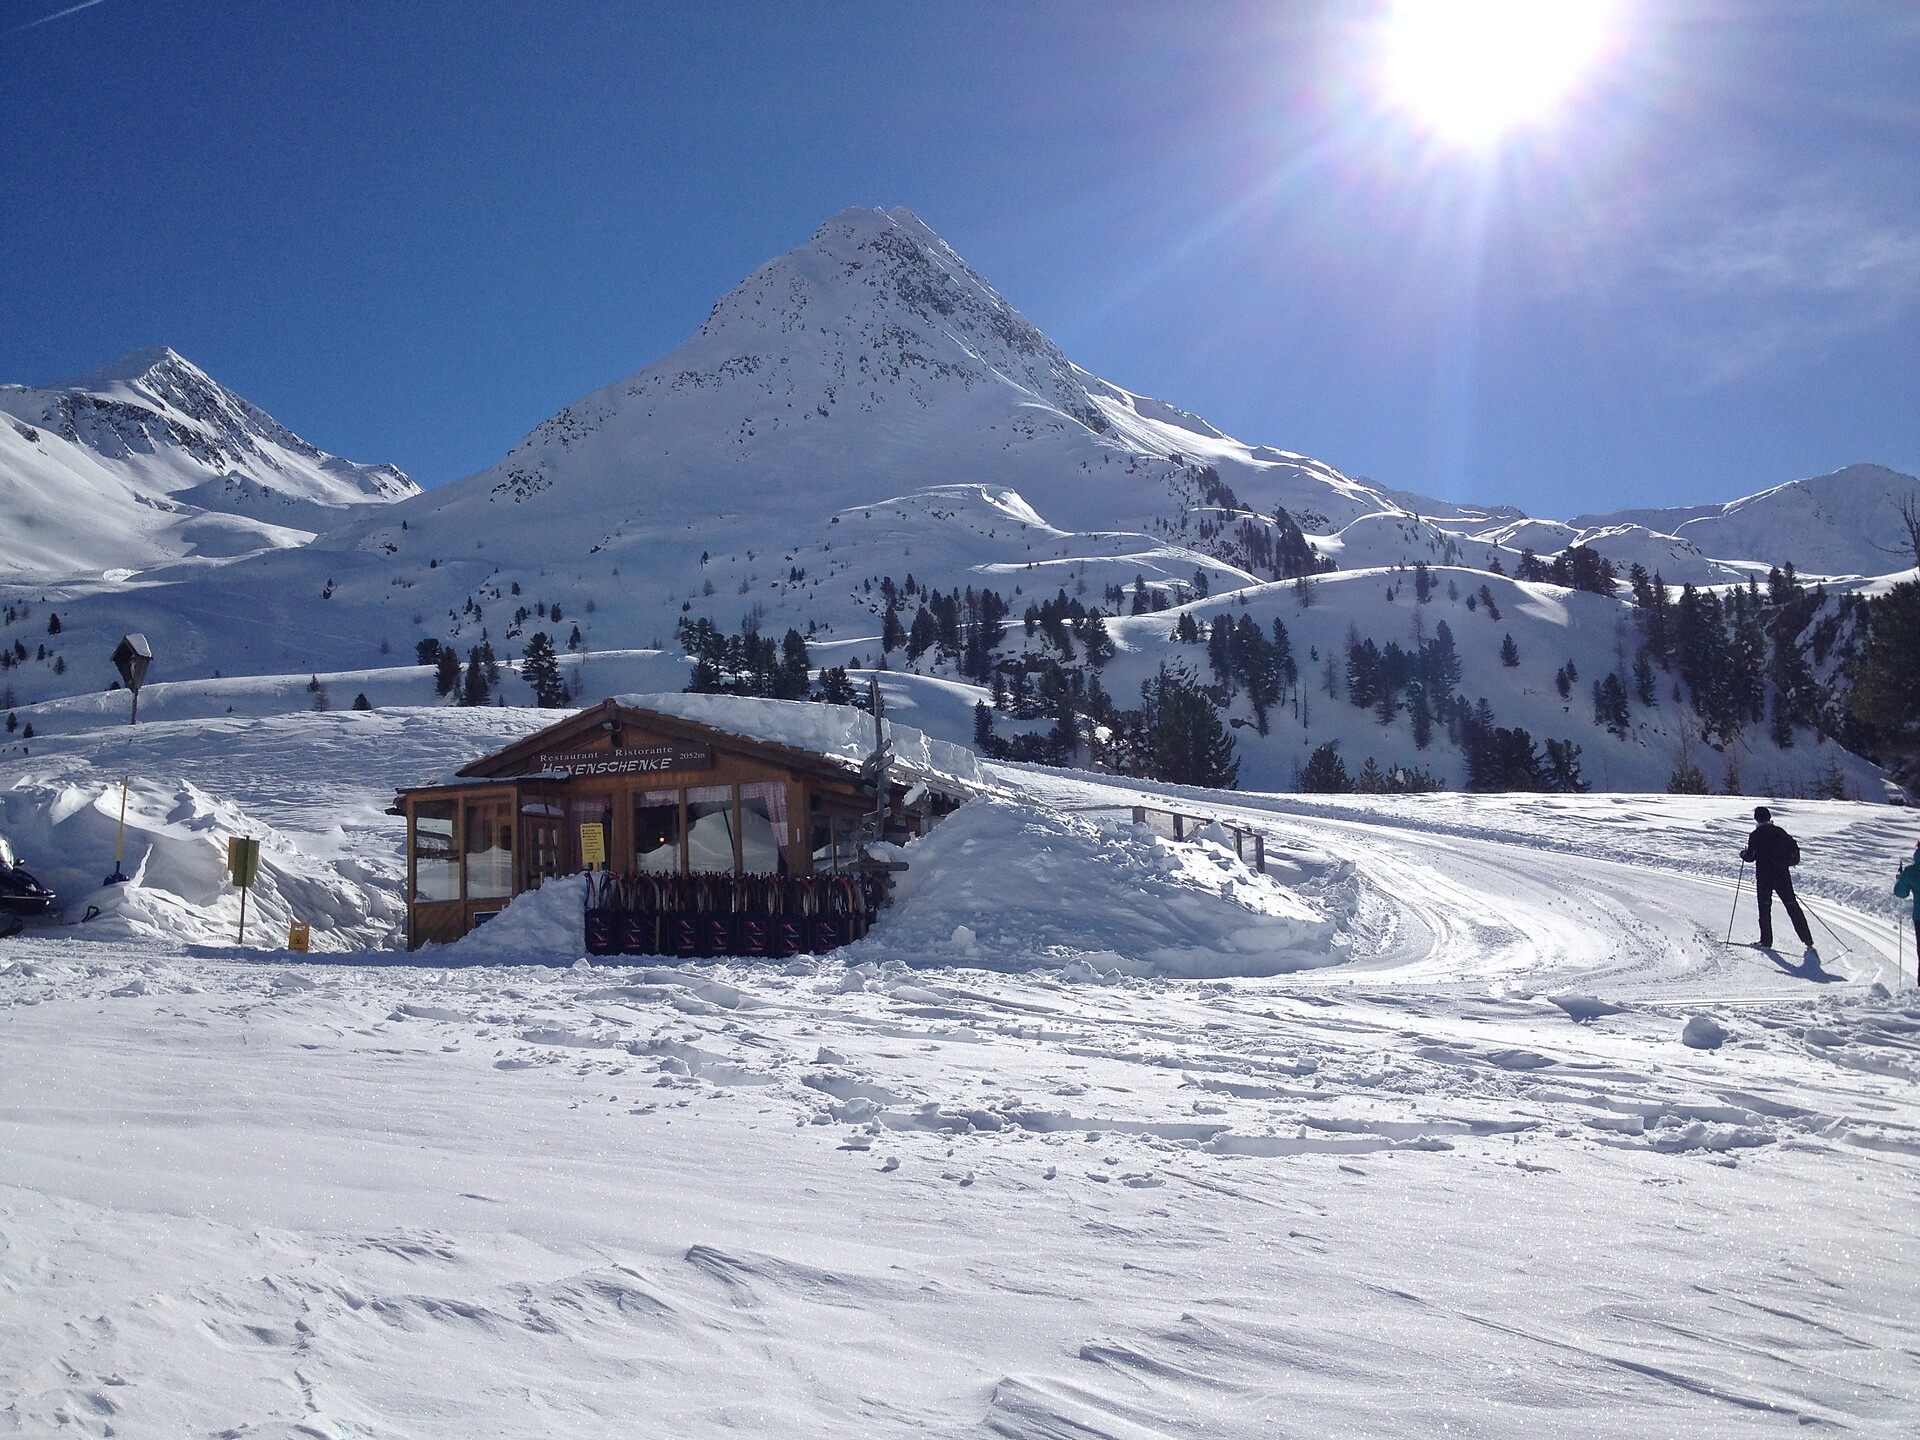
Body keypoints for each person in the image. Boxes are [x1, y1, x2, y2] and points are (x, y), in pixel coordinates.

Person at [1740, 805, 1814, 954]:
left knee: (1765, 908)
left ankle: (1766, 941)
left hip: (1764, 877)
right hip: (1782, 876)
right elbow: (1794, 850)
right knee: (1792, 906)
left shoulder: (1756, 835)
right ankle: (1807, 939)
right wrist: (1786, 862)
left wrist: (1742, 854)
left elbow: (1750, 857)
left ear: (1757, 819)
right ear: (1769, 817)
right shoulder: (1780, 832)